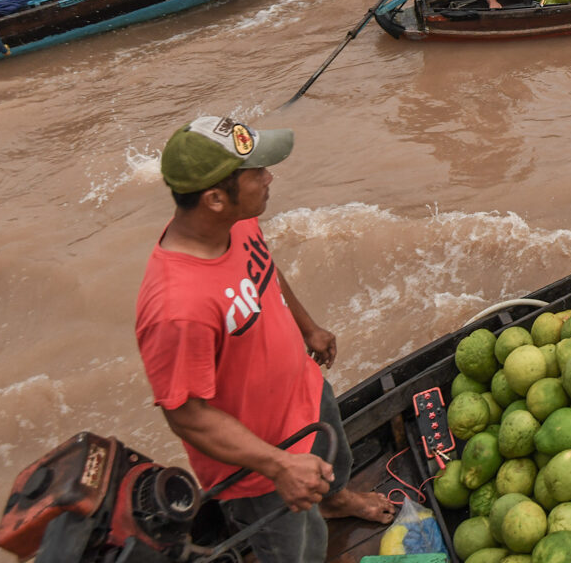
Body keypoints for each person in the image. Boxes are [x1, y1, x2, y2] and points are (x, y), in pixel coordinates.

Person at [135, 116, 394, 563]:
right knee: (298, 547)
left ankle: (334, 501)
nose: (270, 177)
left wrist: (307, 326)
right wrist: (280, 466)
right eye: (257, 172)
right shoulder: (176, 307)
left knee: (338, 466)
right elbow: (187, 415)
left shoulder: (236, 222)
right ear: (215, 197)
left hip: (304, 396)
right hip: (261, 464)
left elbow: (263, 269)